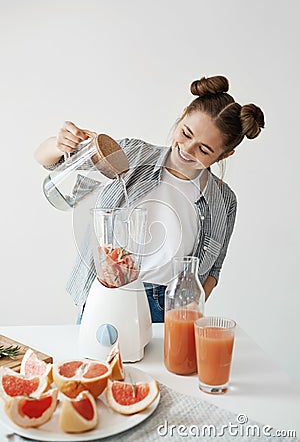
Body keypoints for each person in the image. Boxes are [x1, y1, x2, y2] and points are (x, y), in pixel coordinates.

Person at [35, 75, 265, 323]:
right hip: (106, 291)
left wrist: (186, 315)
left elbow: (213, 272)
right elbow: (47, 160)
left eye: (204, 149)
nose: (187, 150)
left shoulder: (224, 201)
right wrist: (60, 144)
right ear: (183, 113)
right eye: (186, 134)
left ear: (225, 154)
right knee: (95, 361)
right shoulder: (132, 154)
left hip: (166, 305)